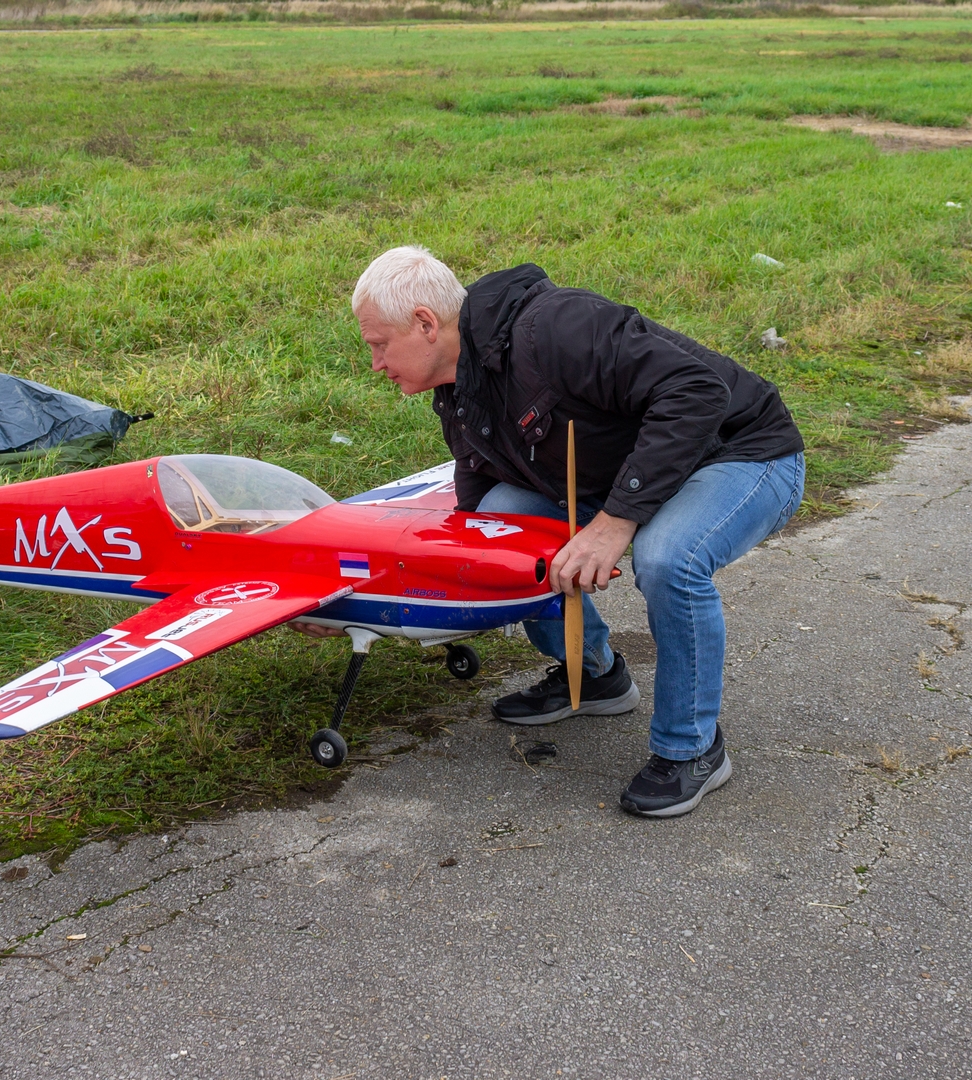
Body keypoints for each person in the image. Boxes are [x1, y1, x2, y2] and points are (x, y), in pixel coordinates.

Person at [340, 246, 805, 817]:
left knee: (667, 558)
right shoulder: (461, 382)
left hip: (741, 452)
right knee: (502, 523)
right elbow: (477, 511)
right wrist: (361, 601)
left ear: (424, 324)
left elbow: (699, 392)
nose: (375, 363)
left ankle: (691, 748)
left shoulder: (559, 327)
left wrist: (615, 521)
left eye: (378, 344)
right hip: (637, 467)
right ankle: (596, 675)